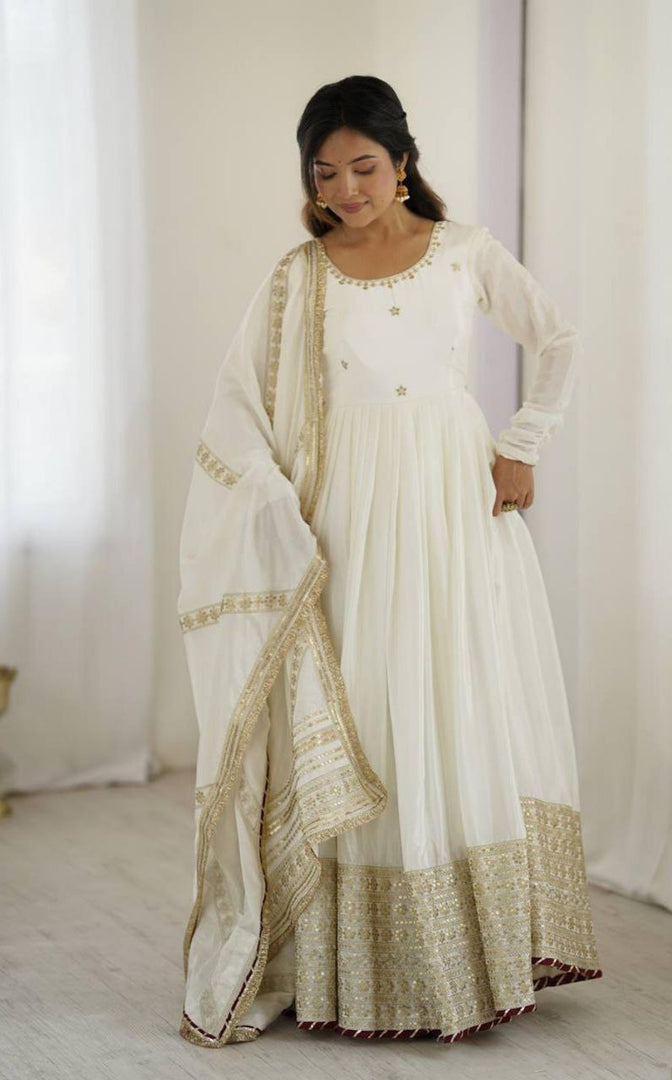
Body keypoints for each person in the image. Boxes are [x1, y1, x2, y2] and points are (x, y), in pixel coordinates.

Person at [176, 74, 603, 1049]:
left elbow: (559, 338)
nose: (346, 189)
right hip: (345, 515)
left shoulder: (462, 251)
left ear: (403, 163)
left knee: (450, 693)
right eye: (325, 173)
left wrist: (524, 443)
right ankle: (351, 965)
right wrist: (274, 508)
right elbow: (238, 403)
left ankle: (477, 950)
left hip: (451, 500)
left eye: (364, 167)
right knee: (367, 699)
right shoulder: (299, 276)